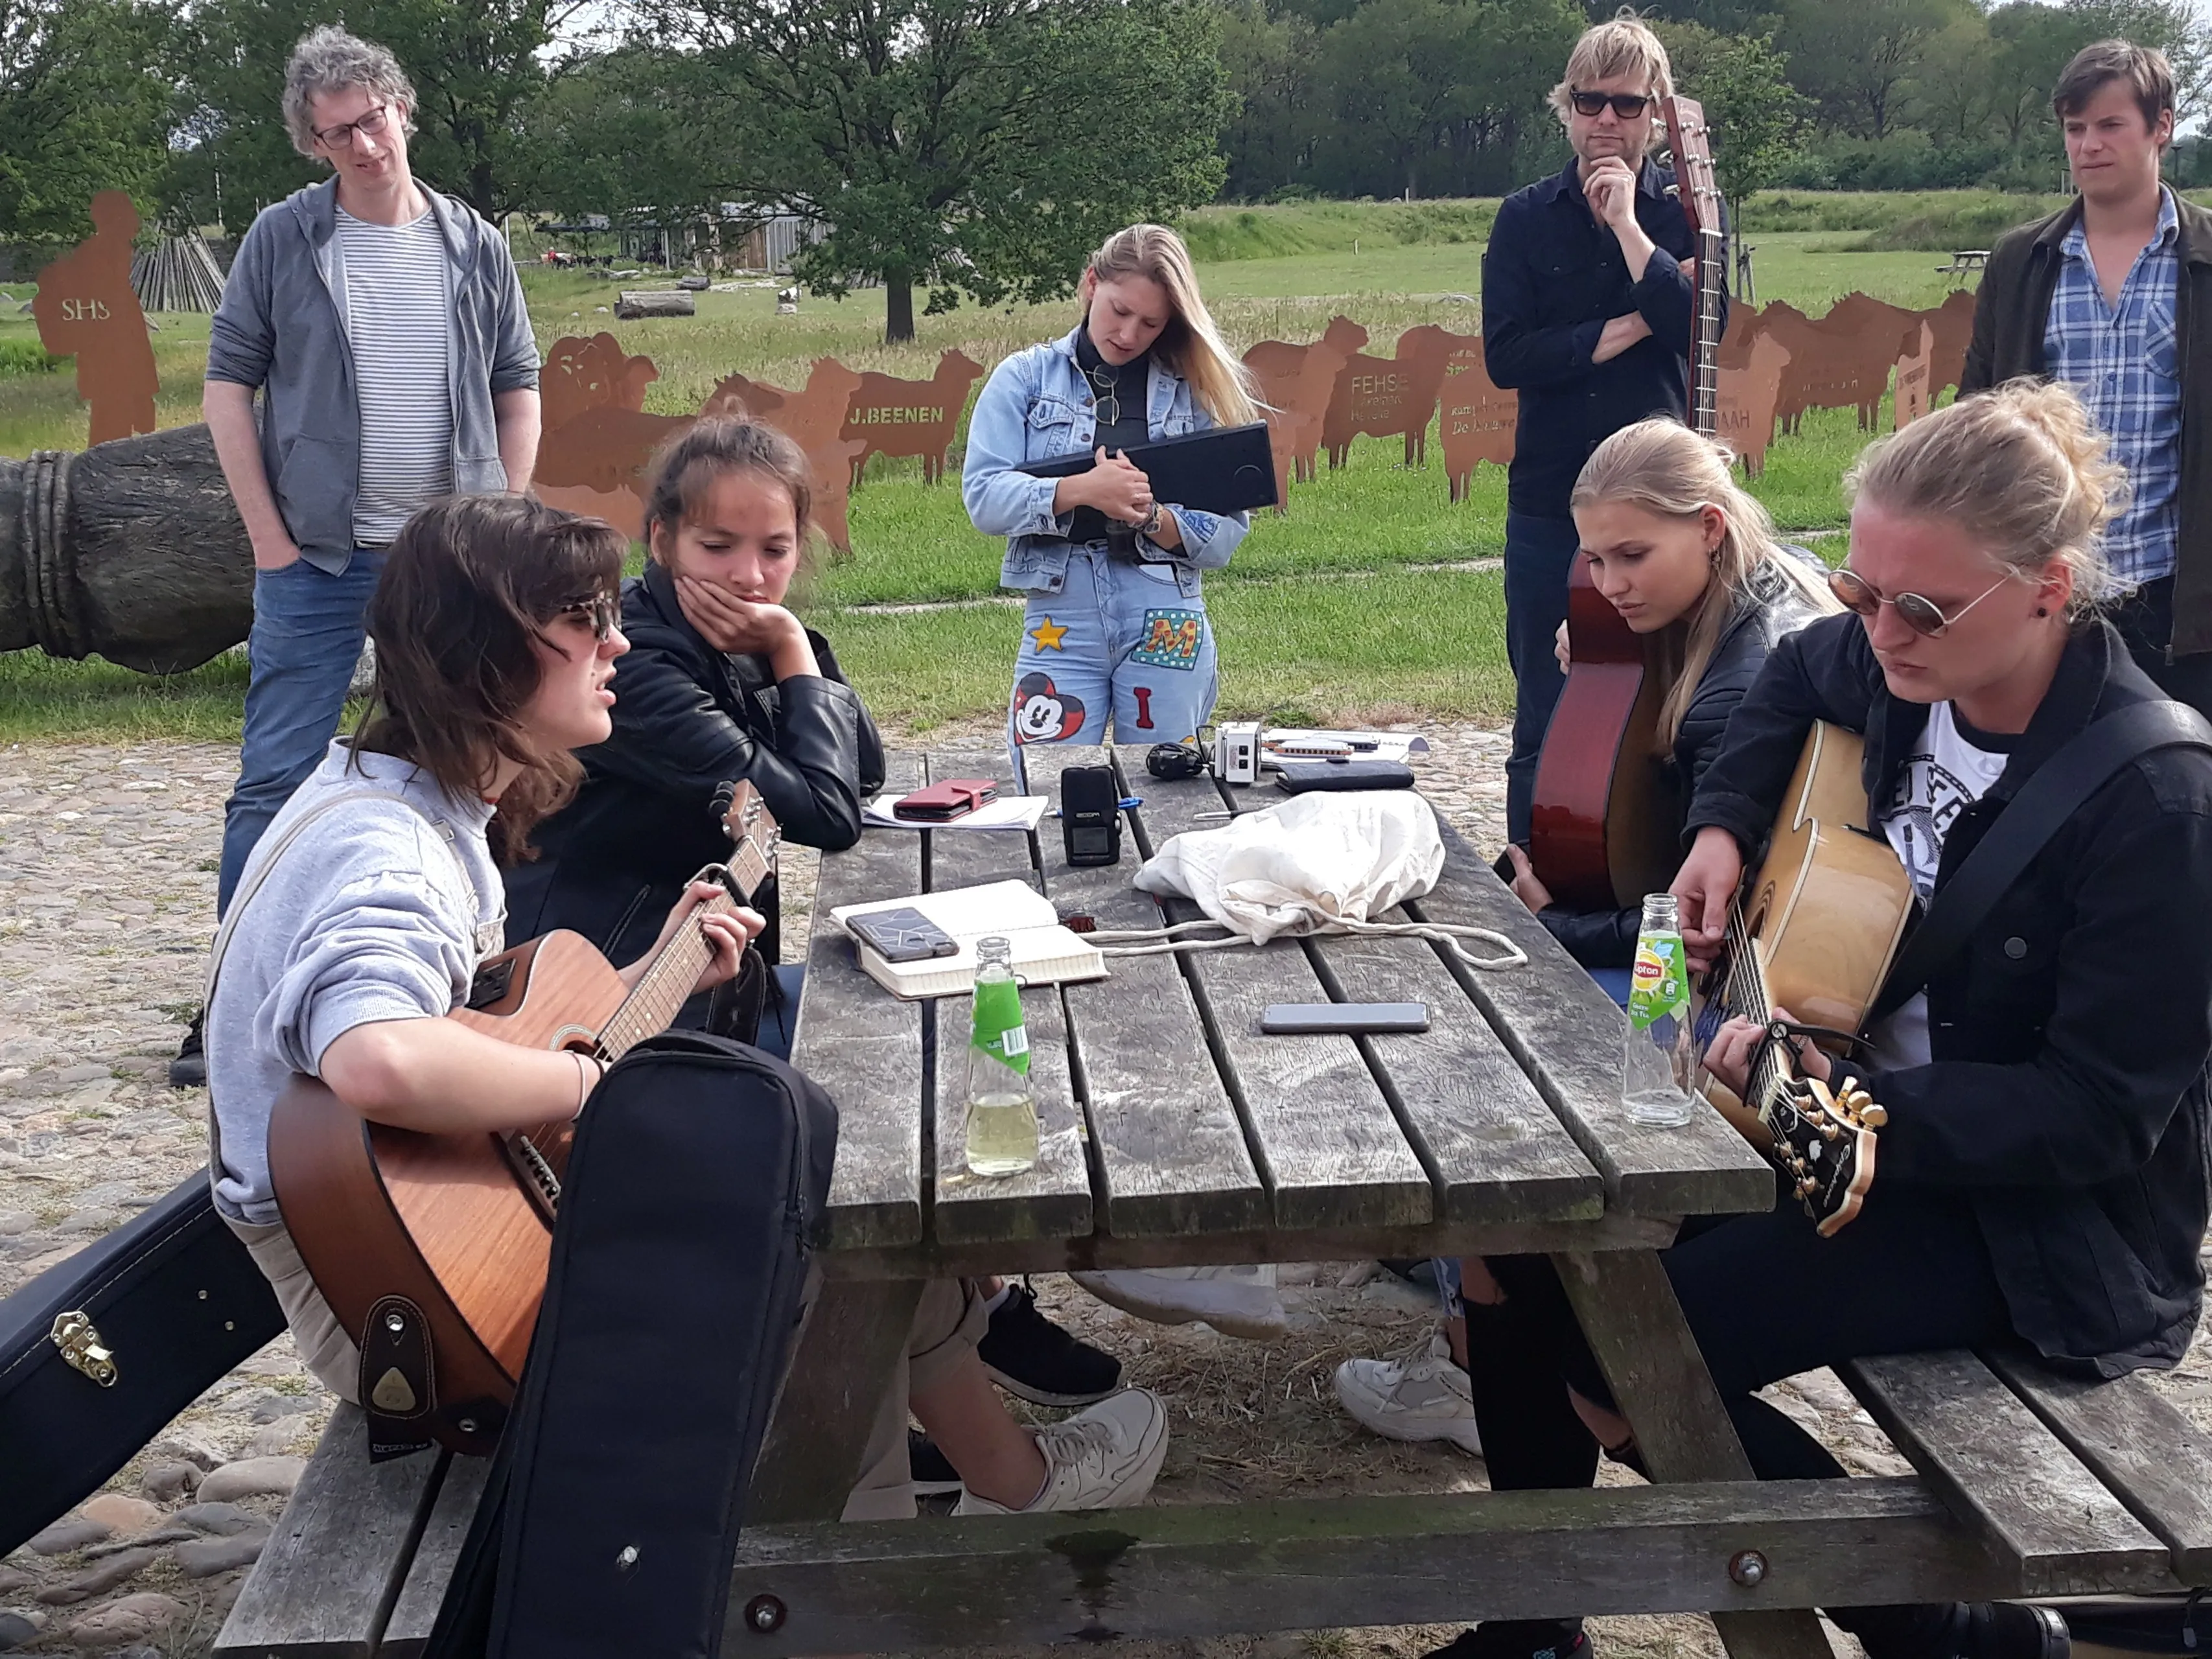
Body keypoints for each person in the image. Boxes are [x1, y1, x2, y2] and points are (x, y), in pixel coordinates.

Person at [204, 493, 1172, 1523]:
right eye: (585, 622)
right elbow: (378, 1062)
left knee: (821, 1180)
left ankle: (953, 1485)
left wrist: (649, 982)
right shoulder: (388, 850)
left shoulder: (398, 793)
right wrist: (588, 1080)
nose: (618, 640)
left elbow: (461, 1041)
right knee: (830, 1233)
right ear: (485, 652)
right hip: (404, 1299)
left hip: (411, 1241)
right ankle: (877, 1540)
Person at [1433, 383, 2212, 1659]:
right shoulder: (1895, 657)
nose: (1876, 629)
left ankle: (1965, 1636)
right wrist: (1721, 830)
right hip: (1825, 1123)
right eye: (1857, 588)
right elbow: (1797, 672)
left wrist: (1833, 1093)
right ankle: (1531, 1622)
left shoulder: (2155, 804)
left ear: (2046, 588)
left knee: (1629, 1335)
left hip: (2028, 1223)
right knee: (1516, 1230)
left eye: (1917, 605)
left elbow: (2094, 1118)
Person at [502, 417, 1141, 1475]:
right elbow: (828, 816)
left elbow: (860, 763)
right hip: (622, 1009)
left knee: (928, 1025)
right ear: (659, 540)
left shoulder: (732, 640)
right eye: (719, 548)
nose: (750, 576)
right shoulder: (645, 671)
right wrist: (793, 653)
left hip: (705, 981)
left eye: (774, 550)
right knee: (891, 1069)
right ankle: (918, 1367)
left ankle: (967, 1315)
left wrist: (793, 649)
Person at [1333, 417, 1834, 1456]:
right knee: (1475, 1124)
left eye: (1631, 556)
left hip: (1710, 998)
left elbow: (1701, 930)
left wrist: (1548, 919)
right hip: (1659, 947)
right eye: (1592, 558)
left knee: (1480, 1078)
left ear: (1709, 528)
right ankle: (1489, 1349)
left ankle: (1530, 1361)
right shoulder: (1731, 597)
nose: (1607, 581)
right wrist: (1616, 640)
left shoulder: (1747, 679)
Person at [178, 24, 542, 1087]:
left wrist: (499, 521)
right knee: (277, 778)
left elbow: (518, 389)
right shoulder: (284, 240)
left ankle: (465, 979)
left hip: (450, 558)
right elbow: (224, 391)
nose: (364, 146)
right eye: (337, 134)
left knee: (477, 766)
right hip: (319, 561)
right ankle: (230, 1008)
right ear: (316, 145)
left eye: (373, 119)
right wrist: (269, 542)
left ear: (401, 110)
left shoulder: (473, 241)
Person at [1482, 12, 1719, 848]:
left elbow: (1699, 328)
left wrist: (1628, 231)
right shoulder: (1523, 217)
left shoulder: (1689, 215)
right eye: (1589, 103)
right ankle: (1531, 895)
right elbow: (1506, 356)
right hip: (1551, 502)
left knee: (1667, 706)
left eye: (1625, 105)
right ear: (1566, 109)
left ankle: (1645, 892)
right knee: (1545, 716)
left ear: (1655, 115)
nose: (1606, 122)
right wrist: (1626, 323)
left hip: (1661, 508)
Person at [1962, 41, 2212, 719]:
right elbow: (1978, 414)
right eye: (2074, 129)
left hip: (2176, 596)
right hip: (2049, 586)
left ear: (2160, 126)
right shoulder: (2021, 261)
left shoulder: (2203, 258)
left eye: (2108, 126)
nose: (2087, 146)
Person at [963, 224, 1258, 780]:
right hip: (1060, 611)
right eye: (1119, 311)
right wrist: (1080, 492)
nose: (1128, 334)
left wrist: (1151, 517)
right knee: (1047, 783)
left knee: (1169, 786)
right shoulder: (1023, 380)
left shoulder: (1195, 390)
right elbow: (983, 498)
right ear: (1090, 284)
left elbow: (1225, 537)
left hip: (1167, 610)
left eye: (1151, 323)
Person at [31, 189, 159, 445]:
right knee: (110, 441)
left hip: (126, 378)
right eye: (128, 214)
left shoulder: (115, 263)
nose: (135, 221)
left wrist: (144, 391)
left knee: (121, 443)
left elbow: (131, 333)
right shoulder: (96, 260)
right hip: (112, 378)